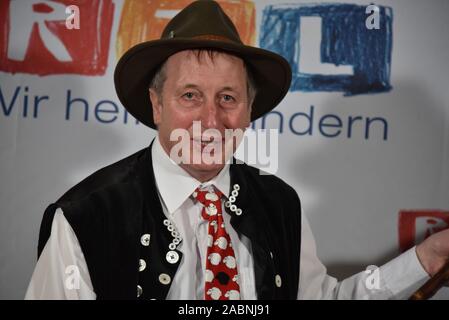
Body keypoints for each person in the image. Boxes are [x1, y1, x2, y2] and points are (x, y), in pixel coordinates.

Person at [26, 0, 449, 300]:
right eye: (190, 95)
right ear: (157, 105)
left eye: (228, 98)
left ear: (249, 111)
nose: (211, 121)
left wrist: (425, 260)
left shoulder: (279, 202)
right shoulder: (86, 215)